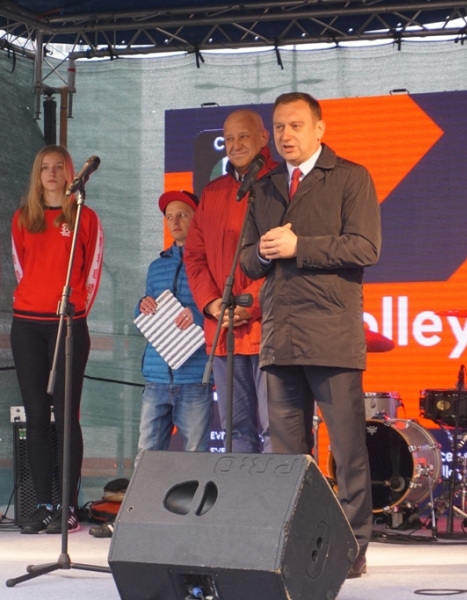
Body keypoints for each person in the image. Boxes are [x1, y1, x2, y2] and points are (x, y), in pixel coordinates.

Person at [239, 92, 381, 578]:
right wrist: (263, 251)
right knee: (287, 456)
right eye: (279, 127)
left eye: (296, 125)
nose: (286, 135)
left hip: (331, 332)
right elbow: (247, 260)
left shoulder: (350, 177)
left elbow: (365, 247)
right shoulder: (265, 186)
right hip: (280, 336)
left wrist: (300, 246)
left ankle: (352, 546)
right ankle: (297, 542)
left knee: (347, 449)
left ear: (319, 129)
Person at [11, 145, 104, 534]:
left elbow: (92, 272)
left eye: (58, 167)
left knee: (66, 416)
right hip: (27, 325)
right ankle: (43, 505)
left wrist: (74, 312)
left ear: (70, 174)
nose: (51, 173)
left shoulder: (85, 217)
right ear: (37, 175)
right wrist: (36, 302)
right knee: (35, 416)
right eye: (44, 168)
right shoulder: (23, 217)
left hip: (68, 324)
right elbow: (20, 269)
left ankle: (67, 505)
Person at [183, 109, 276, 453]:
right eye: (229, 138)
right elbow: (194, 256)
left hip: (269, 330)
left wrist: (250, 305)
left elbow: (285, 260)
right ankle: (241, 492)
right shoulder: (213, 193)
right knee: (235, 432)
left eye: (244, 136)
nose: (235, 145)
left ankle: (278, 491)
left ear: (263, 138)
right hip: (223, 331)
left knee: (277, 430)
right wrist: (212, 303)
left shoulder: (281, 185)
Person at [137, 190, 212, 452]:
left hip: (194, 377)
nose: (174, 221)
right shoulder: (156, 266)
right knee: (147, 457)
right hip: (156, 378)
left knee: (195, 457)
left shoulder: (211, 263)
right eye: (169, 217)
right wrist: (141, 306)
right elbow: (145, 311)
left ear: (197, 218)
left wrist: (198, 315)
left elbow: (220, 310)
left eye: (182, 215)